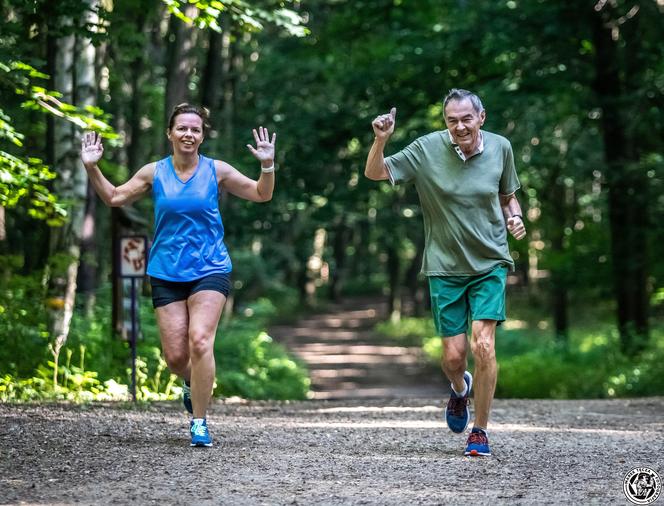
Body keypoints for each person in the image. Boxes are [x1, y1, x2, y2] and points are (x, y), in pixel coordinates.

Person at [80, 103, 276, 447]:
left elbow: (262, 193)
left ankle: (199, 422)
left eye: (196, 129)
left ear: (202, 136)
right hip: (166, 271)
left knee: (200, 340)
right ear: (170, 133)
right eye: (182, 128)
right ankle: (191, 382)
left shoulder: (217, 171)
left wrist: (267, 165)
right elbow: (113, 197)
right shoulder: (154, 173)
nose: (189, 134)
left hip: (209, 268)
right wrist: (92, 168)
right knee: (175, 358)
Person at [364, 89, 526, 457]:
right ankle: (459, 390)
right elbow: (375, 172)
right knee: (454, 358)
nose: (459, 127)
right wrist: (380, 140)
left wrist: (514, 216)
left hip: (490, 262)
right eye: (452, 120)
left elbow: (508, 197)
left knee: (483, 344)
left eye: (466, 119)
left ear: (481, 117)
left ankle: (480, 431)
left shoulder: (501, 148)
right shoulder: (426, 149)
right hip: (445, 266)